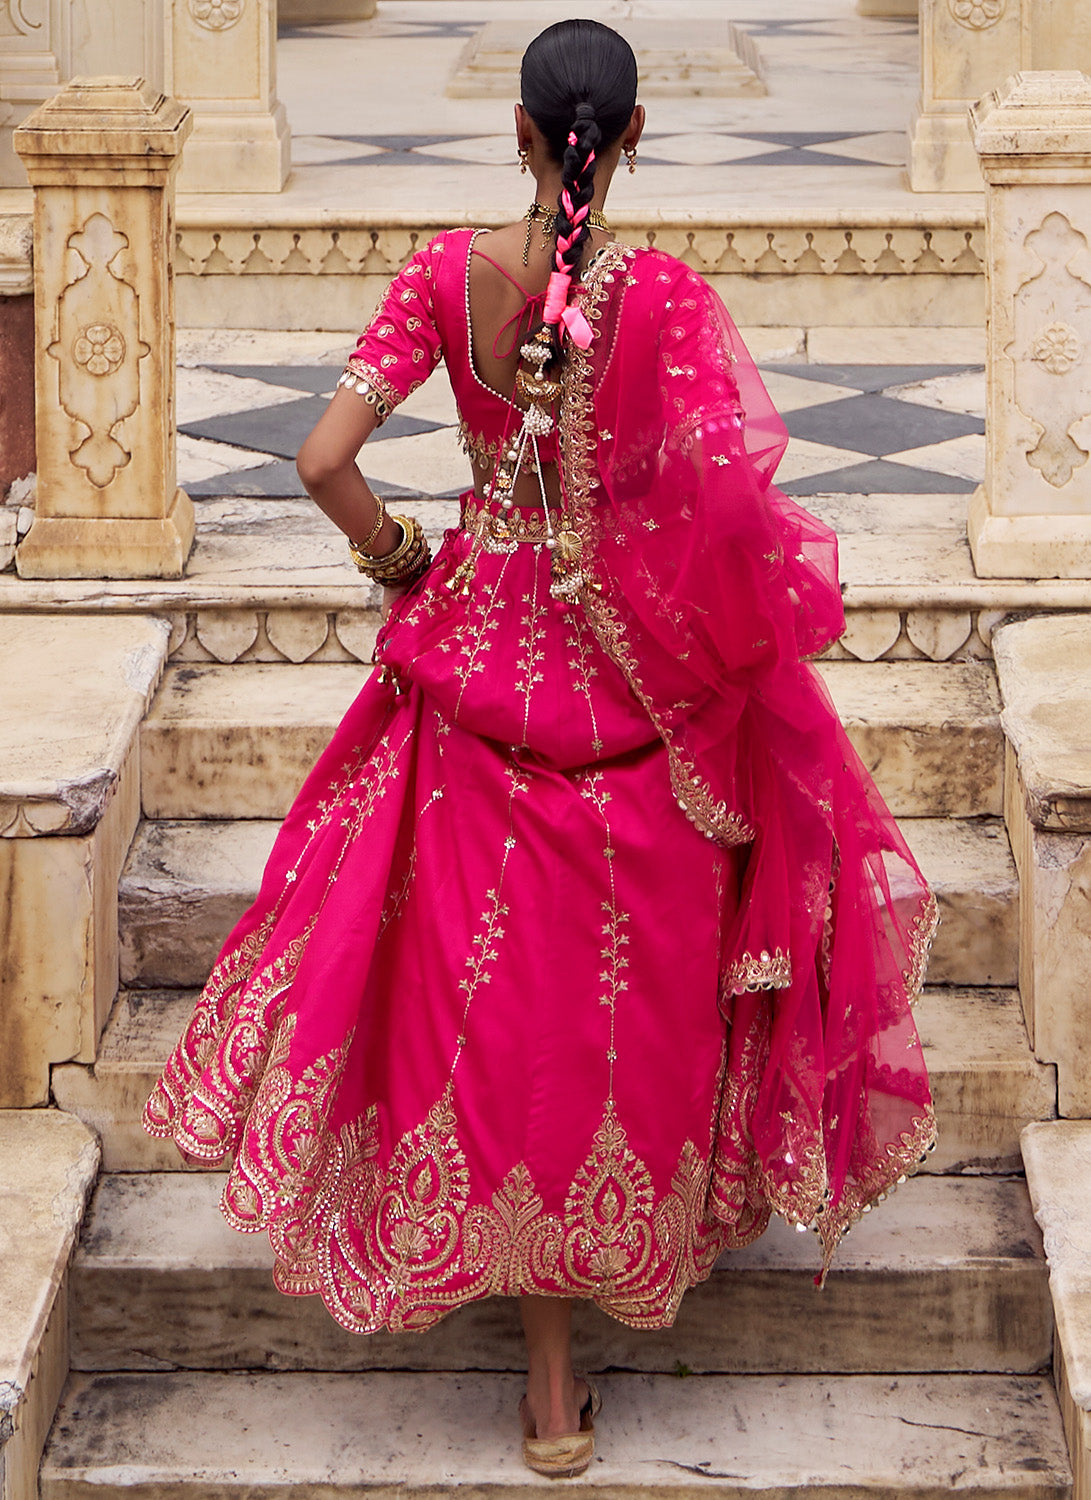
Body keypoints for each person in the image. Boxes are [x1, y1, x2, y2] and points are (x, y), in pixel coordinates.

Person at [144, 18, 937, 1480]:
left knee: (486, 992)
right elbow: (720, 516)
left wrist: (402, 564)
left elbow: (321, 459)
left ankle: (547, 1379)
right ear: (629, 142)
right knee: (602, 1002)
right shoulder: (672, 301)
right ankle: (603, 1322)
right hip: (631, 687)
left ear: (519, 132)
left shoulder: (446, 276)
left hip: (475, 662)